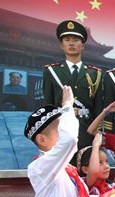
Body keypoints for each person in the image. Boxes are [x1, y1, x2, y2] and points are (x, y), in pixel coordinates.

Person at [43, 20, 103, 151]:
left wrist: (97, 131)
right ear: (62, 45)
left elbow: (98, 107)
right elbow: (48, 105)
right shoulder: (52, 72)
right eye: (67, 40)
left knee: (85, 167)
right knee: (63, 168)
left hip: (87, 128)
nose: (71, 43)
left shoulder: (95, 74)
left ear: (82, 45)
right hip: (60, 128)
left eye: (76, 40)